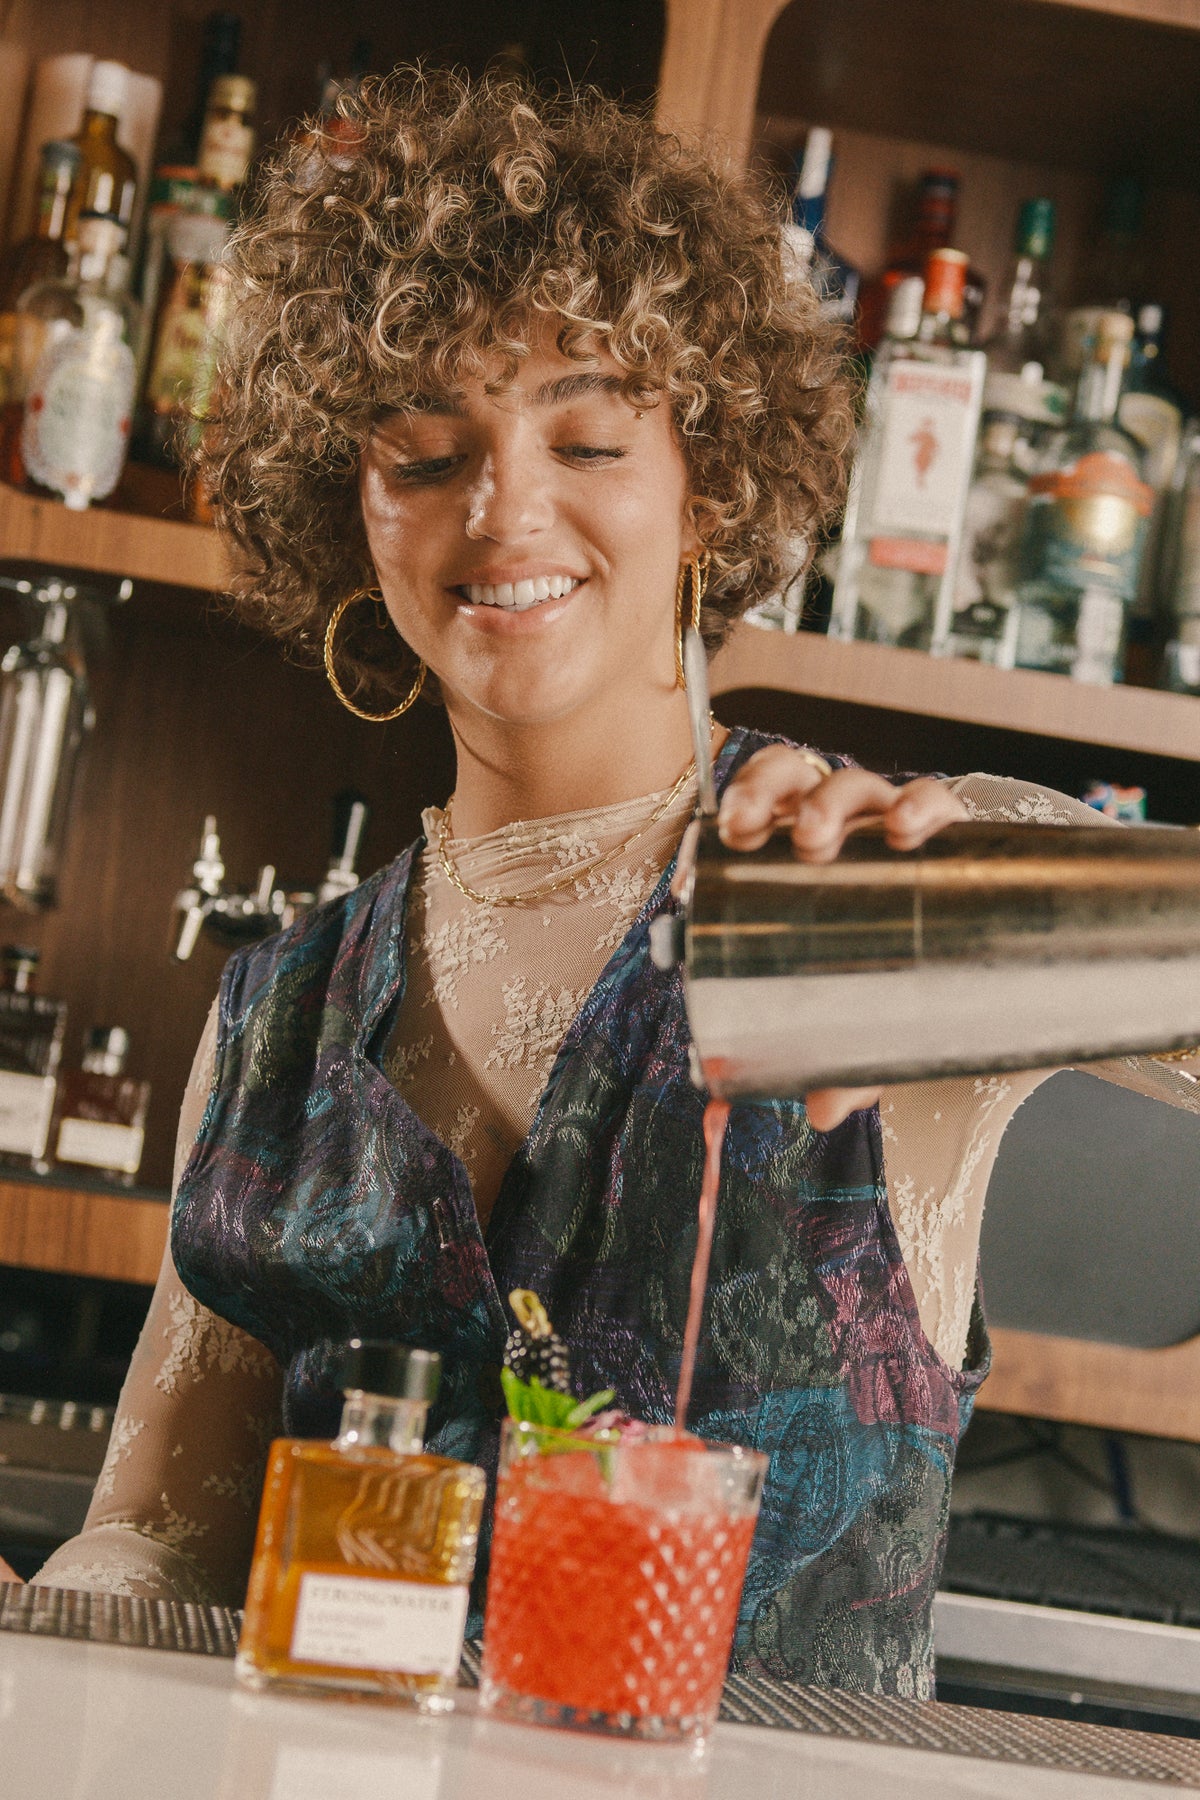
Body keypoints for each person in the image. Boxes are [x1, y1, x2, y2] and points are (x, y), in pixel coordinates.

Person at [13, 73, 1199, 1701]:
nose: (505, 511)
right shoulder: (277, 1017)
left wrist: (987, 901)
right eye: (425, 454)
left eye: (584, 436)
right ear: (346, 508)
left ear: (705, 478)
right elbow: (162, 1536)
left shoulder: (865, 894)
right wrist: (63, 1602)